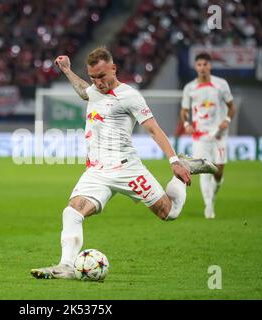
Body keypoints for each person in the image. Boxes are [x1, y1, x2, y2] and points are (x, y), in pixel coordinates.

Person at [30, 47, 217, 279]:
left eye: (101, 76)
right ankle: (66, 266)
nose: (98, 83)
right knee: (72, 212)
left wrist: (175, 161)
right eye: (93, 78)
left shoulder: (130, 96)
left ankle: (185, 169)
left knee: (169, 212)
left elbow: (153, 130)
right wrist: (67, 70)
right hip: (97, 171)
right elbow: (83, 91)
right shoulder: (95, 90)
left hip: (127, 169)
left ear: (113, 68)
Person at [180, 52, 236, 219]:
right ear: (196, 67)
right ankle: (209, 206)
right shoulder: (189, 88)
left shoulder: (221, 84)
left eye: (205, 64)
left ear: (210, 66)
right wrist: (186, 124)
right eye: (199, 65)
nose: (202, 68)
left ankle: (214, 194)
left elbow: (232, 107)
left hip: (219, 135)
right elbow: (184, 111)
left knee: (218, 173)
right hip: (200, 136)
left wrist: (227, 119)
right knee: (204, 171)